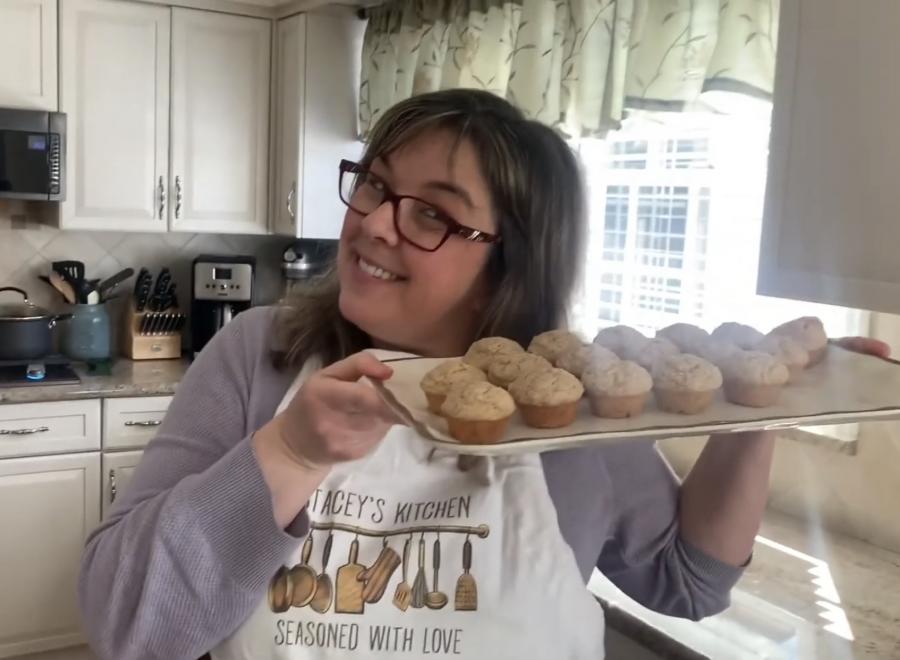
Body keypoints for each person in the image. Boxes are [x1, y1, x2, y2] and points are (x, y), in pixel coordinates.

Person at [78, 89, 889, 660]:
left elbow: (689, 582)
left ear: (510, 264)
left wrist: (762, 412)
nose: (372, 224)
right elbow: (129, 626)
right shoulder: (259, 356)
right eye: (374, 186)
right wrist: (290, 452)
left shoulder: (566, 405)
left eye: (431, 211)